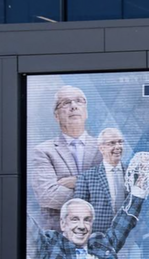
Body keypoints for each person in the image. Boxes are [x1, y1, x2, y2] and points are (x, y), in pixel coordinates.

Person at [27, 174, 149, 259]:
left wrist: (141, 182)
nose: (81, 226)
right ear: (63, 223)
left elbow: (125, 220)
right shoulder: (49, 246)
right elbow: (27, 227)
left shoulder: (102, 245)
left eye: (87, 220)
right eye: (75, 219)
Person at [30, 85, 102, 230]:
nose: (73, 106)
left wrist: (78, 181)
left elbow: (113, 192)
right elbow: (47, 195)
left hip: (100, 234)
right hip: (57, 236)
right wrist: (93, 192)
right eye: (65, 103)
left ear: (86, 112)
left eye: (79, 101)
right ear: (56, 116)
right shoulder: (42, 151)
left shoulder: (104, 147)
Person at [75, 128, 128, 233]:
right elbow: (78, 212)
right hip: (99, 238)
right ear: (101, 148)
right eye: (112, 143)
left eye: (120, 142)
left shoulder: (133, 174)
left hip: (130, 237)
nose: (118, 146)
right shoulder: (86, 178)